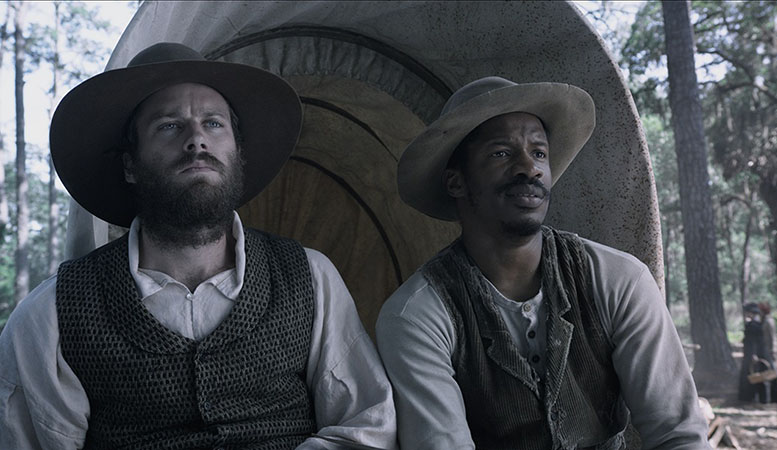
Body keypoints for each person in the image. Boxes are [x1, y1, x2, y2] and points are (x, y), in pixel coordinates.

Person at [0, 43, 396, 450]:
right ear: (130, 165)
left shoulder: (308, 278)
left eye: (213, 123)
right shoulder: (51, 317)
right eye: (169, 126)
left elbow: (367, 429)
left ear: (238, 153)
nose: (197, 141)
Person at [375, 76, 710, 449]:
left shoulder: (618, 279)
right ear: (456, 183)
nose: (529, 168)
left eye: (538, 153)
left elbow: (677, 433)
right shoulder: (417, 315)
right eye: (501, 153)